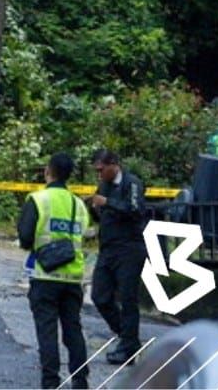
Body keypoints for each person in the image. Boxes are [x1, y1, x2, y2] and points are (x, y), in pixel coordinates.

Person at [19, 152, 91, 390]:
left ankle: (51, 383)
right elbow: (81, 234)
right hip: (73, 277)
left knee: (47, 331)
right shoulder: (78, 204)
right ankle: (81, 381)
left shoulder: (39, 199)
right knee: (73, 330)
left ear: (48, 171)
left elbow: (25, 237)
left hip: (45, 275)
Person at [86, 149, 147, 367]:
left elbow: (136, 209)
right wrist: (94, 207)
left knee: (128, 298)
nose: (100, 174)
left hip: (129, 248)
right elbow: (102, 214)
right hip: (108, 248)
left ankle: (128, 345)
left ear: (114, 165)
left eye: (102, 170)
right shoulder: (103, 186)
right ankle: (127, 337)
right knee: (100, 296)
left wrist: (108, 202)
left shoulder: (131, 183)